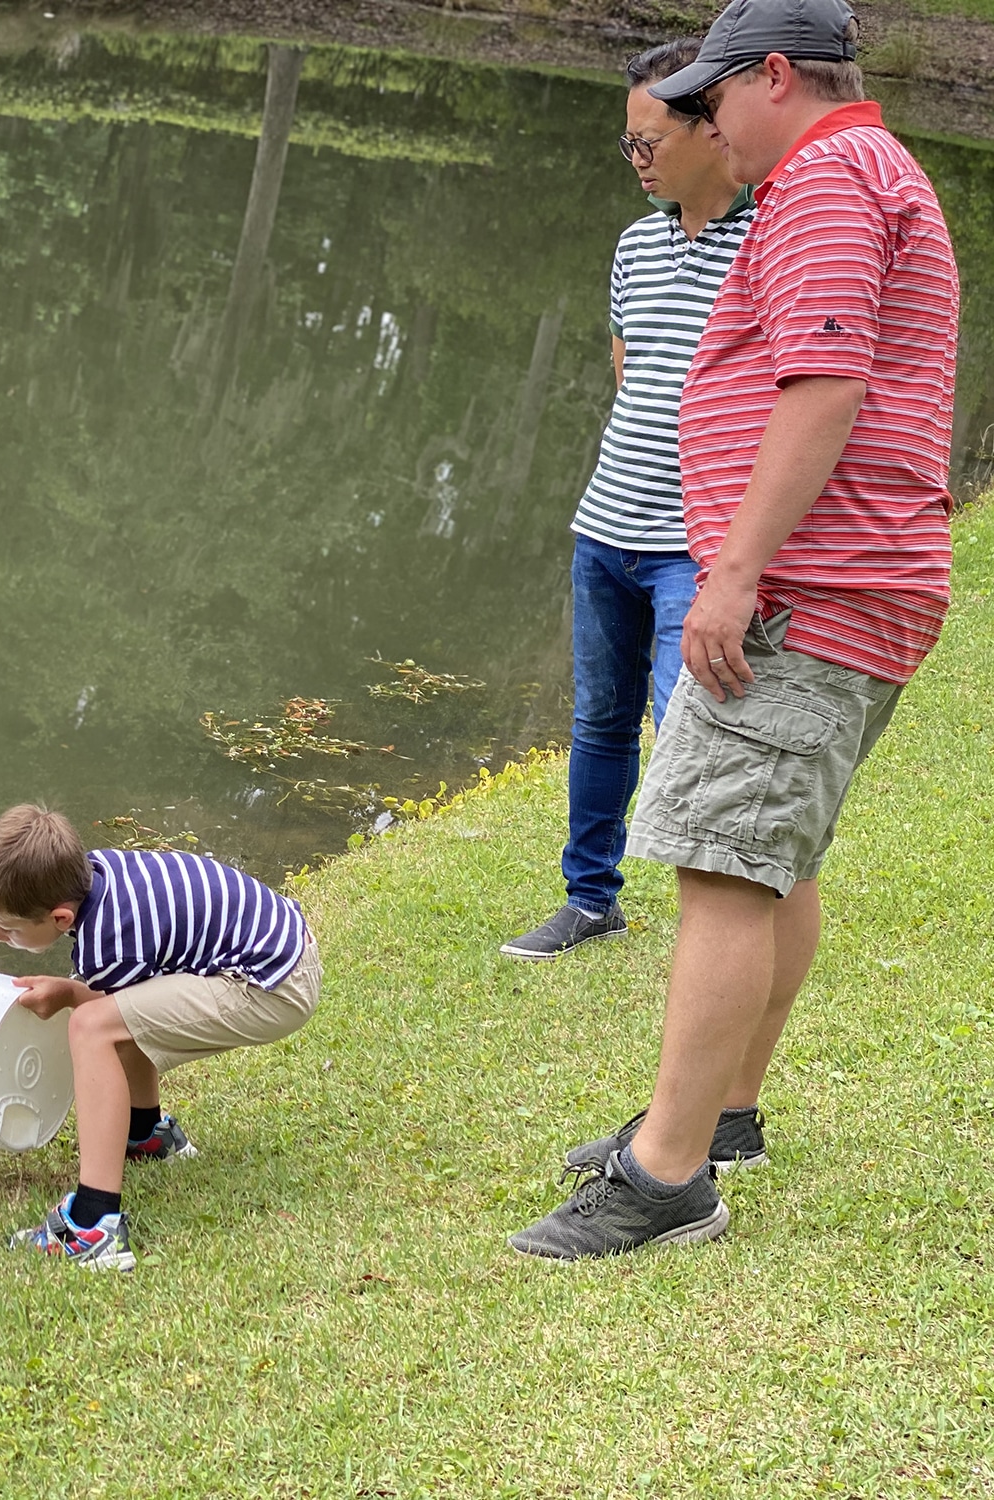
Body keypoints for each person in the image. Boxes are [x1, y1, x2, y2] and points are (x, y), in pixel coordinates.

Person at [511, 0, 959, 1258]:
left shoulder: (824, 176)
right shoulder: (861, 169)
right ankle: (716, 1114)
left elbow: (822, 384)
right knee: (770, 857)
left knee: (718, 864)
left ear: (778, 76)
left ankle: (665, 1181)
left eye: (715, 99)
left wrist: (732, 572)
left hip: (804, 586)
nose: (704, 122)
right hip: (843, 579)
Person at [501, 40, 756, 961]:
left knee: (688, 726)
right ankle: (589, 898)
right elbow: (628, 373)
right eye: (627, 144)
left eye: (650, 141)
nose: (637, 159)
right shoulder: (635, 243)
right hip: (605, 529)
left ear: (708, 129)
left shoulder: (770, 244)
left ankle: (713, 919)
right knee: (599, 720)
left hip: (699, 545)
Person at [0, 804, 318, 1271]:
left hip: (269, 988)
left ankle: (95, 1226)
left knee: (92, 1026)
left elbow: (101, 1003)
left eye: (10, 930)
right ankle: (146, 1136)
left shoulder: (110, 939)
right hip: (280, 949)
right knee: (114, 1015)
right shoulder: (79, 875)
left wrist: (66, 993)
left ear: (60, 919)